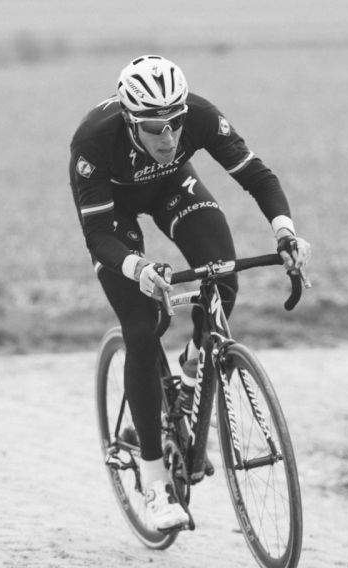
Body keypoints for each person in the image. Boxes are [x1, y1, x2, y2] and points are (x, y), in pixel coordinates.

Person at [69, 55, 311, 531]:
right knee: (143, 327)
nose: (168, 137)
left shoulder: (200, 116)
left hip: (173, 188)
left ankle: (193, 369)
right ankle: (154, 480)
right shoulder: (93, 141)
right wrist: (138, 267)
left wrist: (285, 231)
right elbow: (97, 235)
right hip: (114, 215)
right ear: (130, 120)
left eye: (175, 124)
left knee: (223, 278)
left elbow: (257, 176)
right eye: (154, 128)